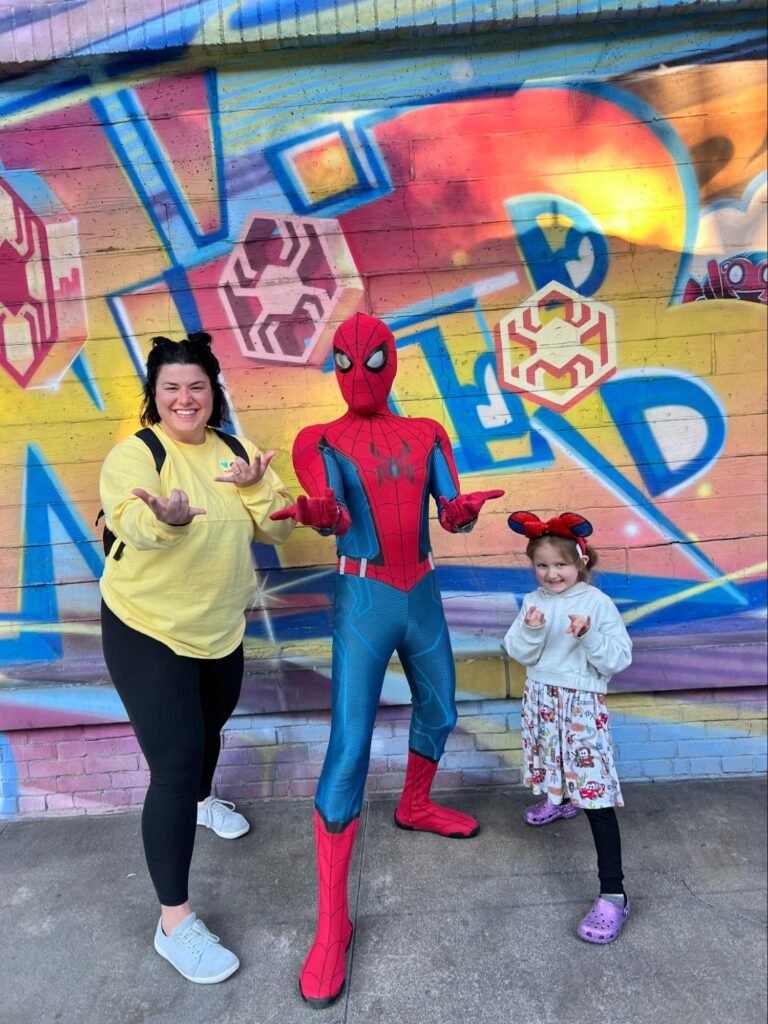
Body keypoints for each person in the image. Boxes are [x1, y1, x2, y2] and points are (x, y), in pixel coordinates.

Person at [270, 311, 504, 1007]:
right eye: (344, 362)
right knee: (349, 748)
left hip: (421, 589)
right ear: (334, 367)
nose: (359, 376)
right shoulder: (318, 439)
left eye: (372, 361)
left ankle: (416, 803)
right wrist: (323, 516)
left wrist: (461, 514)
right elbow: (331, 505)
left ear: (392, 362)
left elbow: (448, 505)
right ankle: (331, 925)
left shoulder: (427, 432)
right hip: (365, 597)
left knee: (442, 707)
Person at [99, 332, 294, 983]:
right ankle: (174, 923)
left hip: (219, 629)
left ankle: (207, 801)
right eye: (171, 387)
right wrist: (171, 521)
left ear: (213, 394)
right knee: (175, 765)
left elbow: (283, 526)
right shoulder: (137, 454)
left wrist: (261, 487)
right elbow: (130, 519)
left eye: (197, 386)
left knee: (210, 726)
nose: (185, 397)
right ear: (155, 397)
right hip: (145, 628)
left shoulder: (238, 454)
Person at [502, 510, 633, 944]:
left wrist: (589, 635)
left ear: (580, 561)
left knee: (594, 795)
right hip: (542, 699)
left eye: (560, 564)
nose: (551, 573)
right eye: (542, 565)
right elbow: (518, 651)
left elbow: (617, 659)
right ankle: (559, 801)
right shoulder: (533, 602)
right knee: (550, 766)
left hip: (579, 706)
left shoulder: (597, 604)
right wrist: (533, 629)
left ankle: (613, 894)